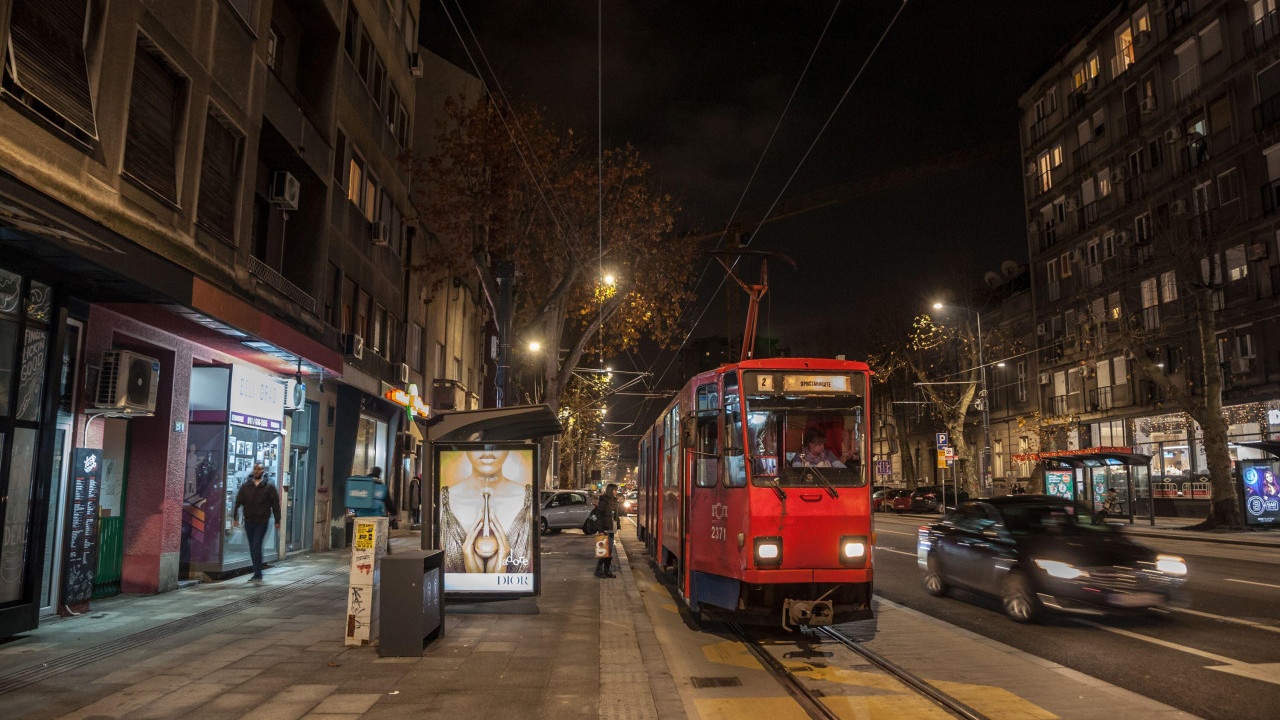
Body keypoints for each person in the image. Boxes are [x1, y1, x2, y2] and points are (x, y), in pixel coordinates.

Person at [440, 449, 533, 574]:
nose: (488, 450)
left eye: (499, 442)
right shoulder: (443, 501)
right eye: (476, 442)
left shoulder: (528, 500)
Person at [232, 463, 280, 583]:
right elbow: (238, 502)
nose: (256, 471)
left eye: (259, 469)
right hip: (249, 521)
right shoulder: (245, 486)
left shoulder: (269, 487)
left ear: (263, 471)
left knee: (256, 545)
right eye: (255, 469)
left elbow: (275, 504)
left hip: (262, 521)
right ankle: (257, 572)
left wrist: (277, 520)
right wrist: (235, 518)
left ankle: (257, 573)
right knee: (253, 547)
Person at [594, 484, 621, 578]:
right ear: (610, 490)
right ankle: (602, 570)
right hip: (605, 529)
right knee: (605, 551)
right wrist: (600, 530)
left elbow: (615, 515)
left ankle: (603, 570)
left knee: (607, 551)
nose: (616, 492)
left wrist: (618, 526)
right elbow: (599, 516)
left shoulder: (614, 501)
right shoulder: (604, 501)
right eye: (615, 490)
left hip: (611, 529)